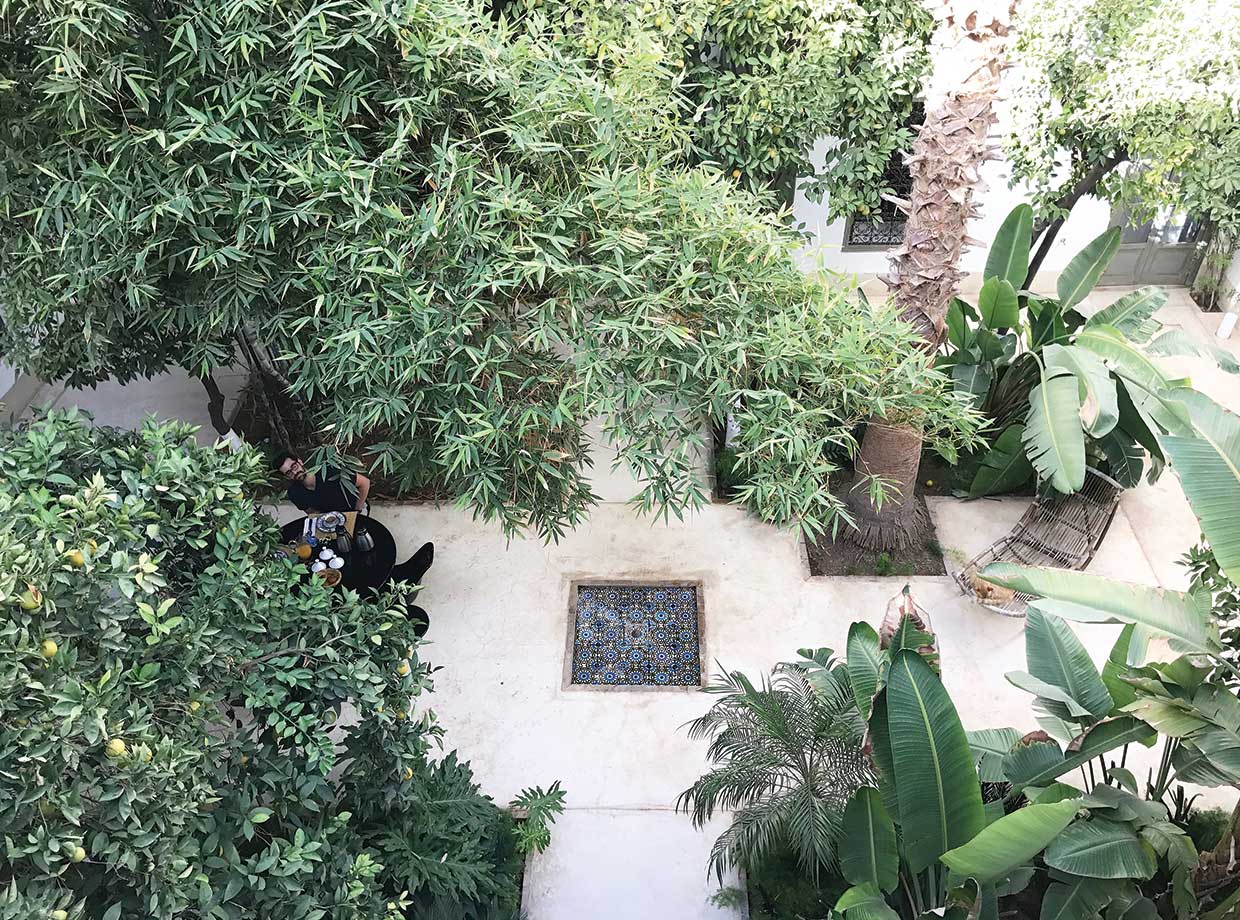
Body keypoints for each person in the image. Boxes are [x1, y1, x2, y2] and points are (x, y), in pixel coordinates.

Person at [273, 450, 371, 514]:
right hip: (331, 520)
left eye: (294, 466)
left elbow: (365, 483)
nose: (295, 472)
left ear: (300, 462)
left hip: (354, 508)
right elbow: (312, 513)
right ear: (287, 477)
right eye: (289, 473)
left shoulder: (330, 471)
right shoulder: (295, 493)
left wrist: (357, 510)